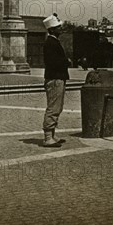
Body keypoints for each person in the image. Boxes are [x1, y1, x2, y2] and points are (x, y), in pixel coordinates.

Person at [42, 13, 69, 147]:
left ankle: (52, 135)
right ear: (52, 30)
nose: (60, 29)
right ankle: (48, 137)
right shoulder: (51, 43)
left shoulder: (53, 42)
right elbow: (53, 62)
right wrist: (66, 61)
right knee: (53, 107)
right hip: (55, 78)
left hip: (57, 77)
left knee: (57, 106)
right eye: (58, 27)